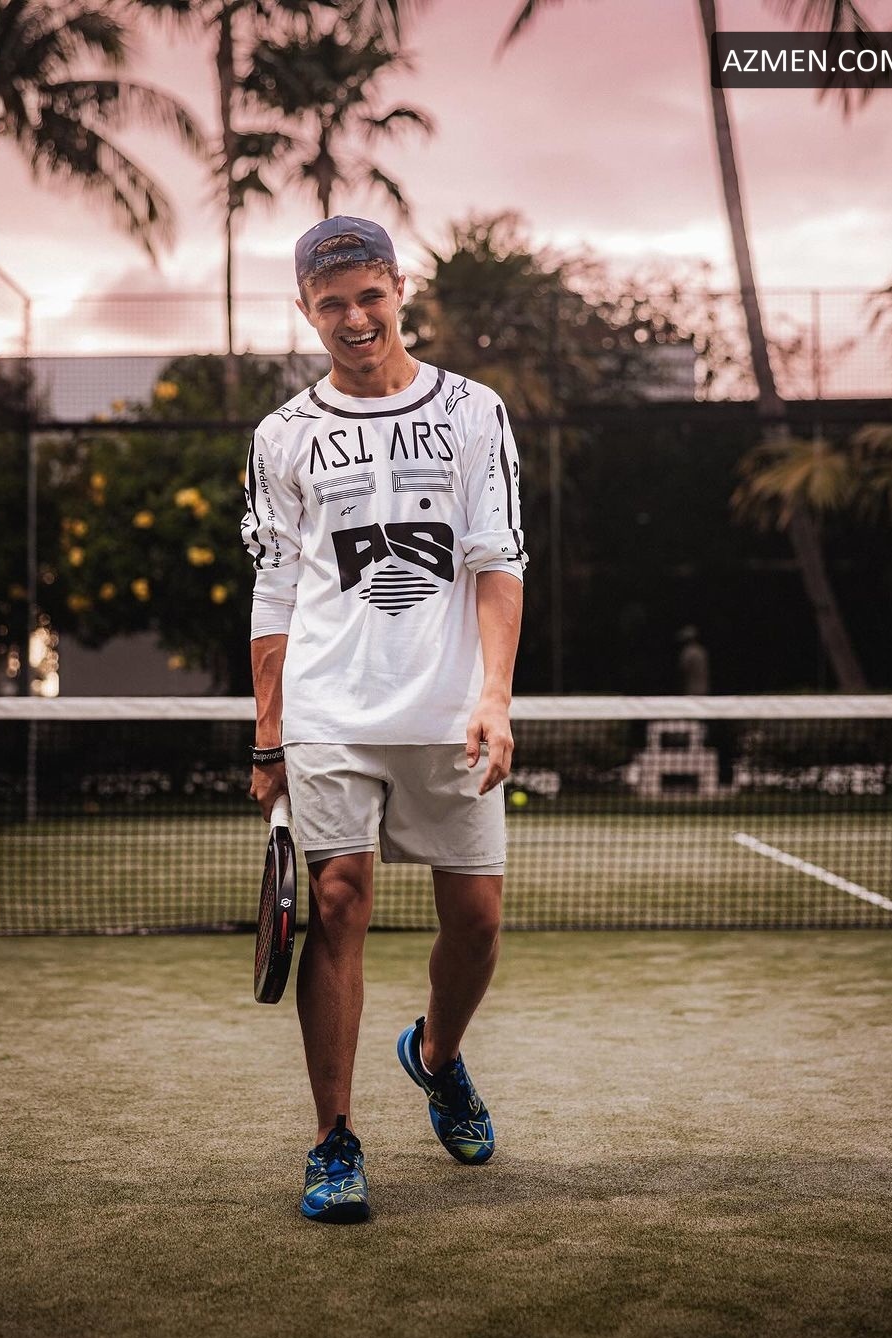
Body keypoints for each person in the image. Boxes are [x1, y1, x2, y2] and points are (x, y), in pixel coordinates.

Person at [240, 216, 526, 1224]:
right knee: (338, 901)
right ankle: (334, 1142)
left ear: (399, 289)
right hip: (330, 709)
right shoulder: (282, 436)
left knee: (478, 922)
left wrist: (494, 695)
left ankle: (436, 1055)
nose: (355, 318)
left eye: (370, 296)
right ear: (306, 310)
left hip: (449, 713)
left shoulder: (474, 411)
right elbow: (275, 592)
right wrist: (269, 735)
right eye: (332, 304)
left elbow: (497, 559)